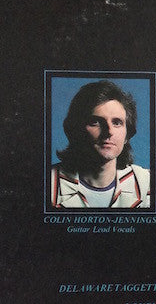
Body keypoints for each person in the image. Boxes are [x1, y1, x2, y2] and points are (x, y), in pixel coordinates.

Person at [50, 80, 150, 208]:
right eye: (95, 122)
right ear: (75, 130)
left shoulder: (146, 183)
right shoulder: (48, 183)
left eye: (117, 123)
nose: (109, 132)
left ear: (127, 135)